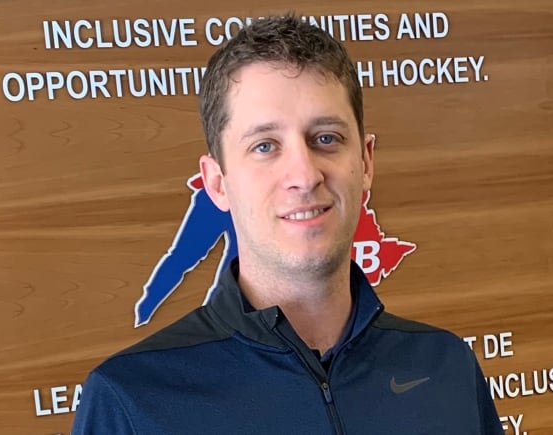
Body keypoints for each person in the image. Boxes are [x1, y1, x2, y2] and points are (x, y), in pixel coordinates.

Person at [72, 14, 504, 434]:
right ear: (217, 182)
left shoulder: (446, 366)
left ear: (366, 161)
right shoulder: (131, 400)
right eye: (265, 146)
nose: (305, 174)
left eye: (326, 139)